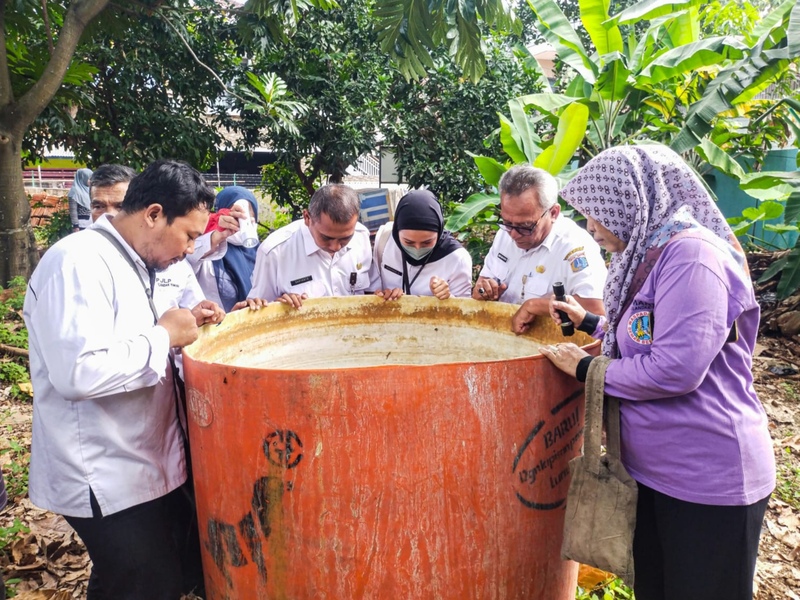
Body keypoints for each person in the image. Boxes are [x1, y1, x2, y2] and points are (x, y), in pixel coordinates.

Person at [528, 145, 775, 600]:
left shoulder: (692, 257)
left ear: (631, 201)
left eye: (597, 215)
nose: (591, 228)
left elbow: (676, 368)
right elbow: (647, 334)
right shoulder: (648, 254)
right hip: (653, 474)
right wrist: (587, 322)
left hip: (706, 480)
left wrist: (587, 368)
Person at [24, 159, 217, 599]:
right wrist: (164, 335)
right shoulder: (78, 262)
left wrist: (186, 324)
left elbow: (131, 335)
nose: (190, 249)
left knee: (144, 578)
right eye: (188, 235)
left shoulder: (135, 259)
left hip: (143, 459)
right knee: (146, 585)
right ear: (153, 214)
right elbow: (78, 372)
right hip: (101, 470)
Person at [472, 165, 606, 317]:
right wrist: (483, 291)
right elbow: (481, 285)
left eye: (526, 226)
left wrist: (535, 306)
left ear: (553, 213)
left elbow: (596, 311)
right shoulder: (505, 234)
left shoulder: (576, 247)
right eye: (507, 223)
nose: (514, 234)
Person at [248, 184, 379, 307]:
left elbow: (372, 293)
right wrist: (280, 306)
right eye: (326, 238)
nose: (336, 247)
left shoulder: (361, 237)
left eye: (345, 238)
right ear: (307, 217)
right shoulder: (274, 252)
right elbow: (260, 308)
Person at [373, 190, 472, 300]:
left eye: (427, 242)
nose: (417, 248)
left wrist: (448, 297)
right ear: (397, 231)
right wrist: (383, 295)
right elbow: (372, 287)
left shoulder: (457, 259)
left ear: (439, 233)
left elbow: (463, 310)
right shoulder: (384, 240)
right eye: (408, 242)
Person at [193, 186, 259, 311]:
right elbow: (188, 260)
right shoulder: (210, 250)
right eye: (236, 212)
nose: (243, 218)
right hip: (217, 325)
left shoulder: (261, 251)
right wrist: (216, 236)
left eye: (250, 211)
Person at [68, 167, 93, 232]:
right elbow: (73, 211)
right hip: (81, 224)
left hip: (91, 223)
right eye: (89, 179)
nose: (91, 181)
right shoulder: (74, 192)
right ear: (83, 178)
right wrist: (75, 226)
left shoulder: (90, 190)